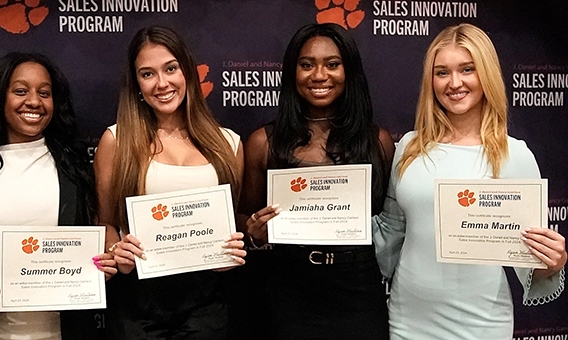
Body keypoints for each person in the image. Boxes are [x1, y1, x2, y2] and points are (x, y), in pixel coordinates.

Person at [373, 23, 566, 339]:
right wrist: (320, 223)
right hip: (408, 320)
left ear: (486, 75)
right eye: (442, 72)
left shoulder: (513, 155)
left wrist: (553, 261)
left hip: (481, 324)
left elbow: (529, 258)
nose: (454, 83)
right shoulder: (408, 147)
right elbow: (390, 230)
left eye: (467, 69)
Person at [235, 23, 393, 339]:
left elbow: (389, 221)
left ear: (349, 71)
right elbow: (242, 218)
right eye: (306, 65)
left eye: (332, 64)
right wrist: (253, 231)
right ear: (293, 73)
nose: (319, 75)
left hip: (357, 288)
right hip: (287, 288)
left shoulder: (377, 142)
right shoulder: (263, 143)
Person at [94, 25, 246, 339]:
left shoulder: (229, 144)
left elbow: (234, 224)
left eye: (171, 69)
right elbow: (106, 223)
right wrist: (116, 252)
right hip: (137, 305)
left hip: (206, 303)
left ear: (188, 72)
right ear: (136, 83)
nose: (162, 84)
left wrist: (231, 251)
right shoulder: (116, 140)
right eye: (147, 74)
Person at [0, 52, 116, 340]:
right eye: (20, 91)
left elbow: (102, 234)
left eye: (44, 93)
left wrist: (105, 263)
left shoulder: (76, 166)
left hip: (67, 331)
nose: (34, 101)